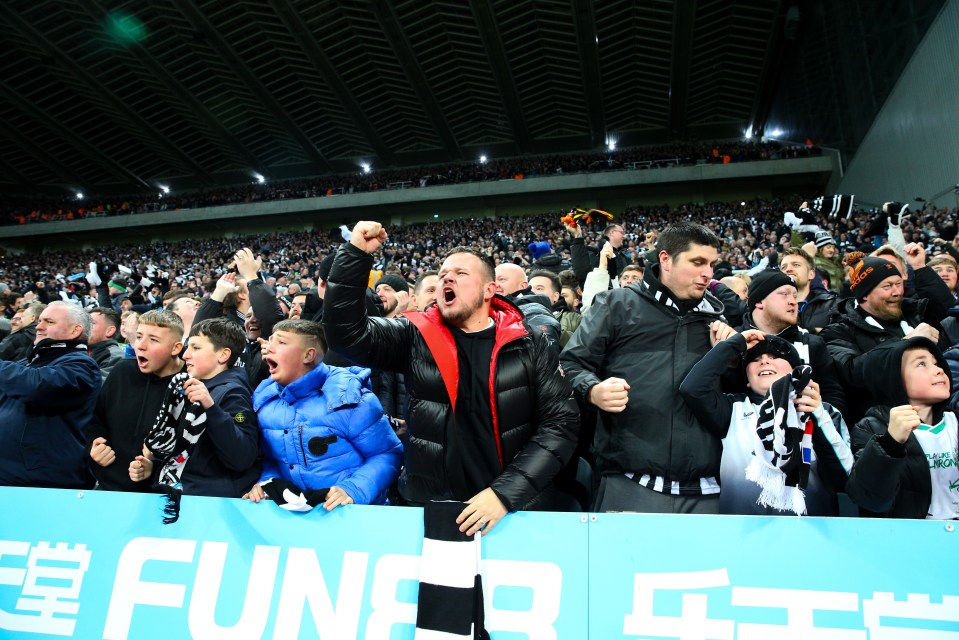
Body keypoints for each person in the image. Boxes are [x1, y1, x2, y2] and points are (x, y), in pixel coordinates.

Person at [324, 221, 578, 535]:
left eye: (460, 274)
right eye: (444, 274)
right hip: (433, 511)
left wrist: (504, 494)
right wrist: (355, 256)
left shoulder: (529, 343)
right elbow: (345, 335)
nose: (448, 277)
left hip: (514, 513)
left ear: (489, 290)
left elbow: (561, 423)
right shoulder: (416, 335)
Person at [561, 221, 728, 513]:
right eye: (698, 262)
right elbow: (571, 363)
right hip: (630, 483)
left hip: (706, 490)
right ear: (665, 259)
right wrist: (593, 390)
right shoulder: (616, 304)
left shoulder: (718, 322)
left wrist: (732, 357)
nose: (708, 273)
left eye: (712, 264)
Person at [679, 332, 852, 516]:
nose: (764, 362)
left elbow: (844, 477)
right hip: (743, 533)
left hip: (810, 533)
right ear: (746, 380)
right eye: (756, 359)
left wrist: (818, 417)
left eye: (775, 357)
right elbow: (692, 389)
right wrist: (734, 345)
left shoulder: (823, 411)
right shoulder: (733, 409)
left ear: (796, 371)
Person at [244, 319, 402, 510]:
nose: (269, 347)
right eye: (271, 340)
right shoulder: (265, 402)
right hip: (299, 522)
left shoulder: (349, 399)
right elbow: (271, 460)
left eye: (281, 342)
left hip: (356, 517)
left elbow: (387, 453)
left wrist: (353, 490)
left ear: (308, 355)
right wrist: (266, 484)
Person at [128, 319, 261, 498]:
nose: (185, 355)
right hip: (185, 496)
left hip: (211, 507)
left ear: (223, 355)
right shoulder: (196, 387)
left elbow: (241, 458)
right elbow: (191, 454)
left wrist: (212, 410)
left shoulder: (234, 393)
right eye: (187, 347)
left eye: (195, 348)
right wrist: (155, 466)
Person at [822, 256, 948, 425]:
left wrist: (921, 268)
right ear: (864, 294)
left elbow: (947, 307)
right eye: (887, 286)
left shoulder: (916, 314)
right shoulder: (838, 331)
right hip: (881, 428)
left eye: (898, 283)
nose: (897, 292)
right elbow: (851, 373)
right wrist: (906, 342)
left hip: (937, 422)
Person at [845, 337, 958, 519]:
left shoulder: (956, 420)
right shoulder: (872, 427)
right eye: (922, 364)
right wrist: (890, 444)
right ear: (891, 377)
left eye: (936, 363)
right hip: (911, 538)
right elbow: (871, 500)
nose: (939, 370)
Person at [0, 301, 101, 488]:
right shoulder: (26, 363)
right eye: (39, 320)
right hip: (10, 479)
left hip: (43, 485)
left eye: (49, 321)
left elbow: (37, 387)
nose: (39, 326)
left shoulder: (82, 366)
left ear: (75, 331)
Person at [87, 309, 185, 492]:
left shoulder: (191, 386)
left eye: (153, 340)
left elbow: (192, 449)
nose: (141, 345)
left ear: (176, 348)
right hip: (106, 488)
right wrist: (95, 444)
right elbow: (96, 419)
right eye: (139, 336)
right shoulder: (121, 371)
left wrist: (154, 468)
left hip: (161, 494)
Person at [739, 269, 845, 415]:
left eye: (795, 296)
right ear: (758, 301)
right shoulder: (734, 341)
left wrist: (822, 413)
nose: (793, 302)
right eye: (785, 294)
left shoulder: (812, 343)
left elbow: (833, 394)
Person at [779, 247, 837, 332]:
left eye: (796, 265)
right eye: (784, 267)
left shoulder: (832, 305)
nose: (788, 269)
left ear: (811, 274)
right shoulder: (771, 307)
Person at [88, 307, 125, 379]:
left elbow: (97, 386)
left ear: (110, 331)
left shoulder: (115, 357)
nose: (85, 327)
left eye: (91, 323)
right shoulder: (80, 349)